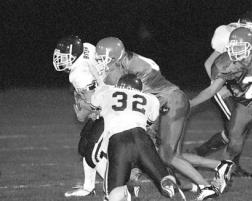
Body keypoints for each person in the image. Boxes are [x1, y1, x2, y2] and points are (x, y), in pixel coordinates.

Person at [92, 37, 235, 200]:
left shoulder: (132, 66)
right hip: (166, 103)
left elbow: (128, 96)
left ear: (116, 56)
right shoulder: (125, 61)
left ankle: (206, 187)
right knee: (171, 155)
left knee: (167, 155)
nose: (101, 62)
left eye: (104, 58)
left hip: (170, 103)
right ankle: (219, 166)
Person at [189, 27, 252, 177]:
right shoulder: (228, 63)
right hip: (247, 103)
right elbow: (211, 90)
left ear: (251, 47)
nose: (235, 51)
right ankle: (223, 174)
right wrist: (190, 103)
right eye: (233, 47)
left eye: (239, 47)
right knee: (234, 137)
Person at [74, 73, 187, 201]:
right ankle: (167, 183)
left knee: (115, 192)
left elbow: (94, 108)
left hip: (118, 142)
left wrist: (83, 105)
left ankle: (118, 194)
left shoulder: (107, 91)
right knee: (163, 178)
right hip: (142, 140)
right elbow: (149, 122)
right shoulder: (150, 98)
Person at [53, 35, 111, 197]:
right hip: (107, 96)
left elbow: (93, 101)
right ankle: (88, 187)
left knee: (93, 153)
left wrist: (82, 111)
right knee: (84, 147)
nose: (61, 61)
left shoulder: (77, 74)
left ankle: (116, 187)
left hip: (107, 108)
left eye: (65, 58)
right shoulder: (86, 47)